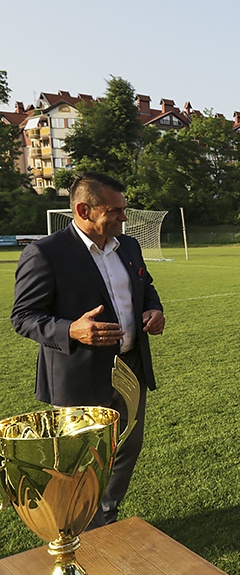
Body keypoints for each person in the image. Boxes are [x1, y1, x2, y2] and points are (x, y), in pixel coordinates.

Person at [11, 172, 165, 527]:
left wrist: (153, 310)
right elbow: (23, 317)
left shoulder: (128, 246)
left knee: (126, 450)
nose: (124, 218)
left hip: (130, 370)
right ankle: (78, 527)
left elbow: (146, 286)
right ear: (83, 209)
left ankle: (105, 515)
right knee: (79, 463)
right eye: (115, 211)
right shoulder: (45, 253)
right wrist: (71, 330)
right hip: (77, 379)